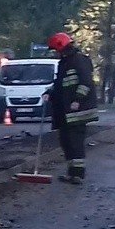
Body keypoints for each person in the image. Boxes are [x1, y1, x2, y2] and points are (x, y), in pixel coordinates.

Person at [47, 32, 98, 184]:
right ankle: (71, 172)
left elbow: (86, 83)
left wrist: (77, 99)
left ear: (61, 47)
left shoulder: (79, 60)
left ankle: (78, 174)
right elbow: (60, 85)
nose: (55, 54)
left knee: (75, 142)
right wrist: (49, 93)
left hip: (77, 111)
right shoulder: (64, 63)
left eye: (55, 50)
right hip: (65, 111)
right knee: (66, 141)